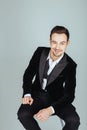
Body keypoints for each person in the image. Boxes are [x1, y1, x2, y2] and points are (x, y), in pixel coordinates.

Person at [17, 25, 80, 130]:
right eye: (54, 42)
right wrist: (27, 93)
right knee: (23, 114)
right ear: (50, 41)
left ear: (67, 43)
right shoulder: (39, 52)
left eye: (62, 43)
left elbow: (70, 95)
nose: (57, 47)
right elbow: (28, 74)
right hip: (36, 96)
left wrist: (50, 110)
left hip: (57, 99)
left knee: (74, 121)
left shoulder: (71, 65)